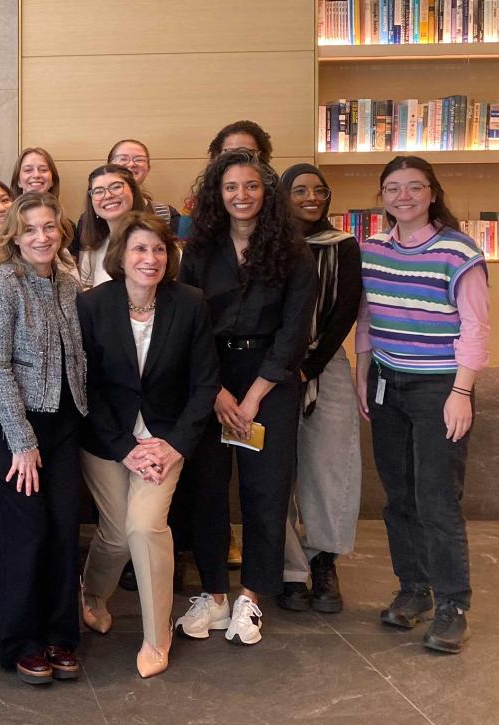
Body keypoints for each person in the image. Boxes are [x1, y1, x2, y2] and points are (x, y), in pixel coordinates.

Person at [174, 149, 316, 648]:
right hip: (210, 381)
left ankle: (251, 596)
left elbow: (294, 333)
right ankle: (213, 593)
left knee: (265, 491)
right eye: (231, 186)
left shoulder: (294, 252)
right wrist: (216, 392)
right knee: (207, 489)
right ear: (218, 192)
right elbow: (187, 326)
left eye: (251, 186)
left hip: (269, 383)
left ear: (267, 192)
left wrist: (253, 397)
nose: (241, 195)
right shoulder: (198, 250)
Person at [76, 212, 219, 679]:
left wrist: (173, 444)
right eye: (140, 249)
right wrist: (125, 448)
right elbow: (88, 386)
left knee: (143, 527)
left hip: (165, 439)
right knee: (115, 535)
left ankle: (158, 636)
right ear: (121, 255)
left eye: (159, 249)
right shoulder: (94, 305)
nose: (150, 258)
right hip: (108, 441)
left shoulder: (190, 303)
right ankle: (92, 594)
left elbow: (204, 384)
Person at [355, 156, 489, 654]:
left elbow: (476, 327)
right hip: (388, 383)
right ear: (382, 196)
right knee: (399, 494)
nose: (403, 196)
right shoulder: (371, 249)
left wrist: (461, 392)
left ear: (432, 193)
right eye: (393, 188)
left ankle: (454, 604)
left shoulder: (459, 251)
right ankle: (414, 587)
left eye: (415, 187)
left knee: (437, 497)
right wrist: (362, 371)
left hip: (440, 387)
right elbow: (367, 318)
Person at [0, 191, 88, 686]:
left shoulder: (69, 281)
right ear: (14, 236)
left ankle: (60, 632)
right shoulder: (1, 282)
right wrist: (22, 441)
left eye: (49, 227)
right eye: (30, 229)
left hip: (63, 420)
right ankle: (14, 637)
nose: (41, 237)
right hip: (8, 421)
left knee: (63, 526)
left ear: (61, 231)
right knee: (23, 530)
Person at [276, 164, 361, 615]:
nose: (311, 198)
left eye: (319, 190)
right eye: (300, 190)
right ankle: (290, 570)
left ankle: (324, 559)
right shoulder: (271, 246)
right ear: (284, 196)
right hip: (274, 369)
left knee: (330, 466)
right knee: (277, 472)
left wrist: (310, 365)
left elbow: (345, 310)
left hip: (324, 365)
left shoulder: (342, 245)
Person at [76, 164, 146, 290]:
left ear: (133, 191)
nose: (108, 195)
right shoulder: (93, 248)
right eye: (98, 191)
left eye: (116, 187)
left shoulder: (158, 242)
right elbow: (88, 293)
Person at [107, 139, 181, 234]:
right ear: (109, 167)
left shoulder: (166, 214)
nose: (131, 164)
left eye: (139, 159)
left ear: (148, 168)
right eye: (123, 159)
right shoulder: (97, 213)